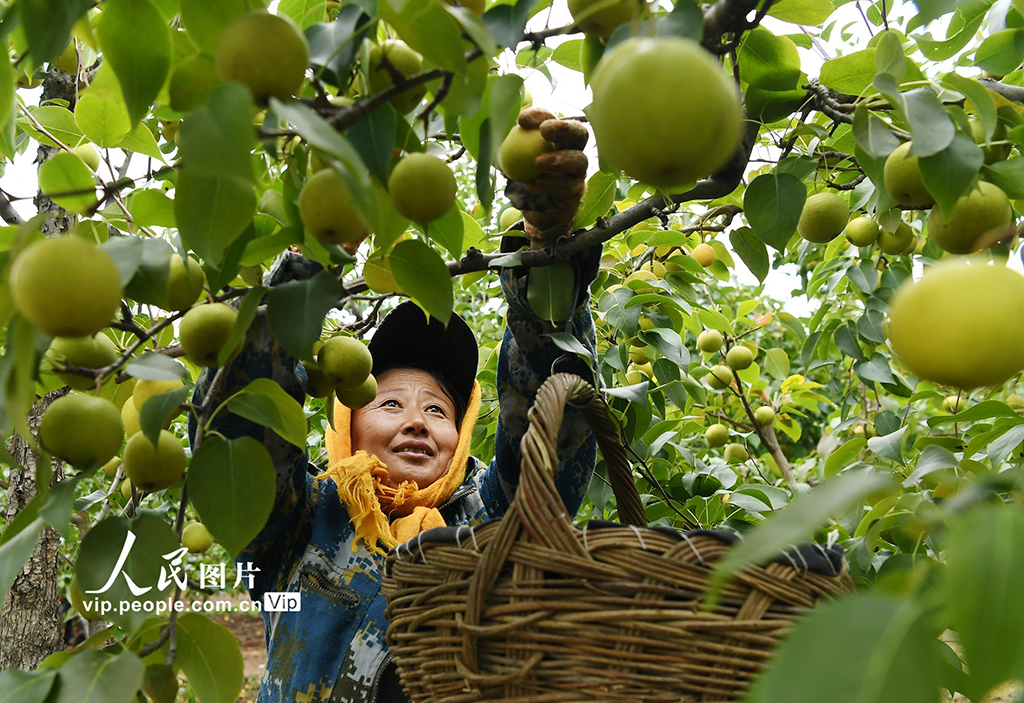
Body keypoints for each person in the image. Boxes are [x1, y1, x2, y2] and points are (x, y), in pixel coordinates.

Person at [186, 111, 602, 703]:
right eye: (388, 402)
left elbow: (552, 422)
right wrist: (316, 253)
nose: (415, 420)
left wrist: (547, 257)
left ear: (461, 438)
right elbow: (236, 423)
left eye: (438, 410)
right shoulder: (298, 526)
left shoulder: (488, 527)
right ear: (347, 422)